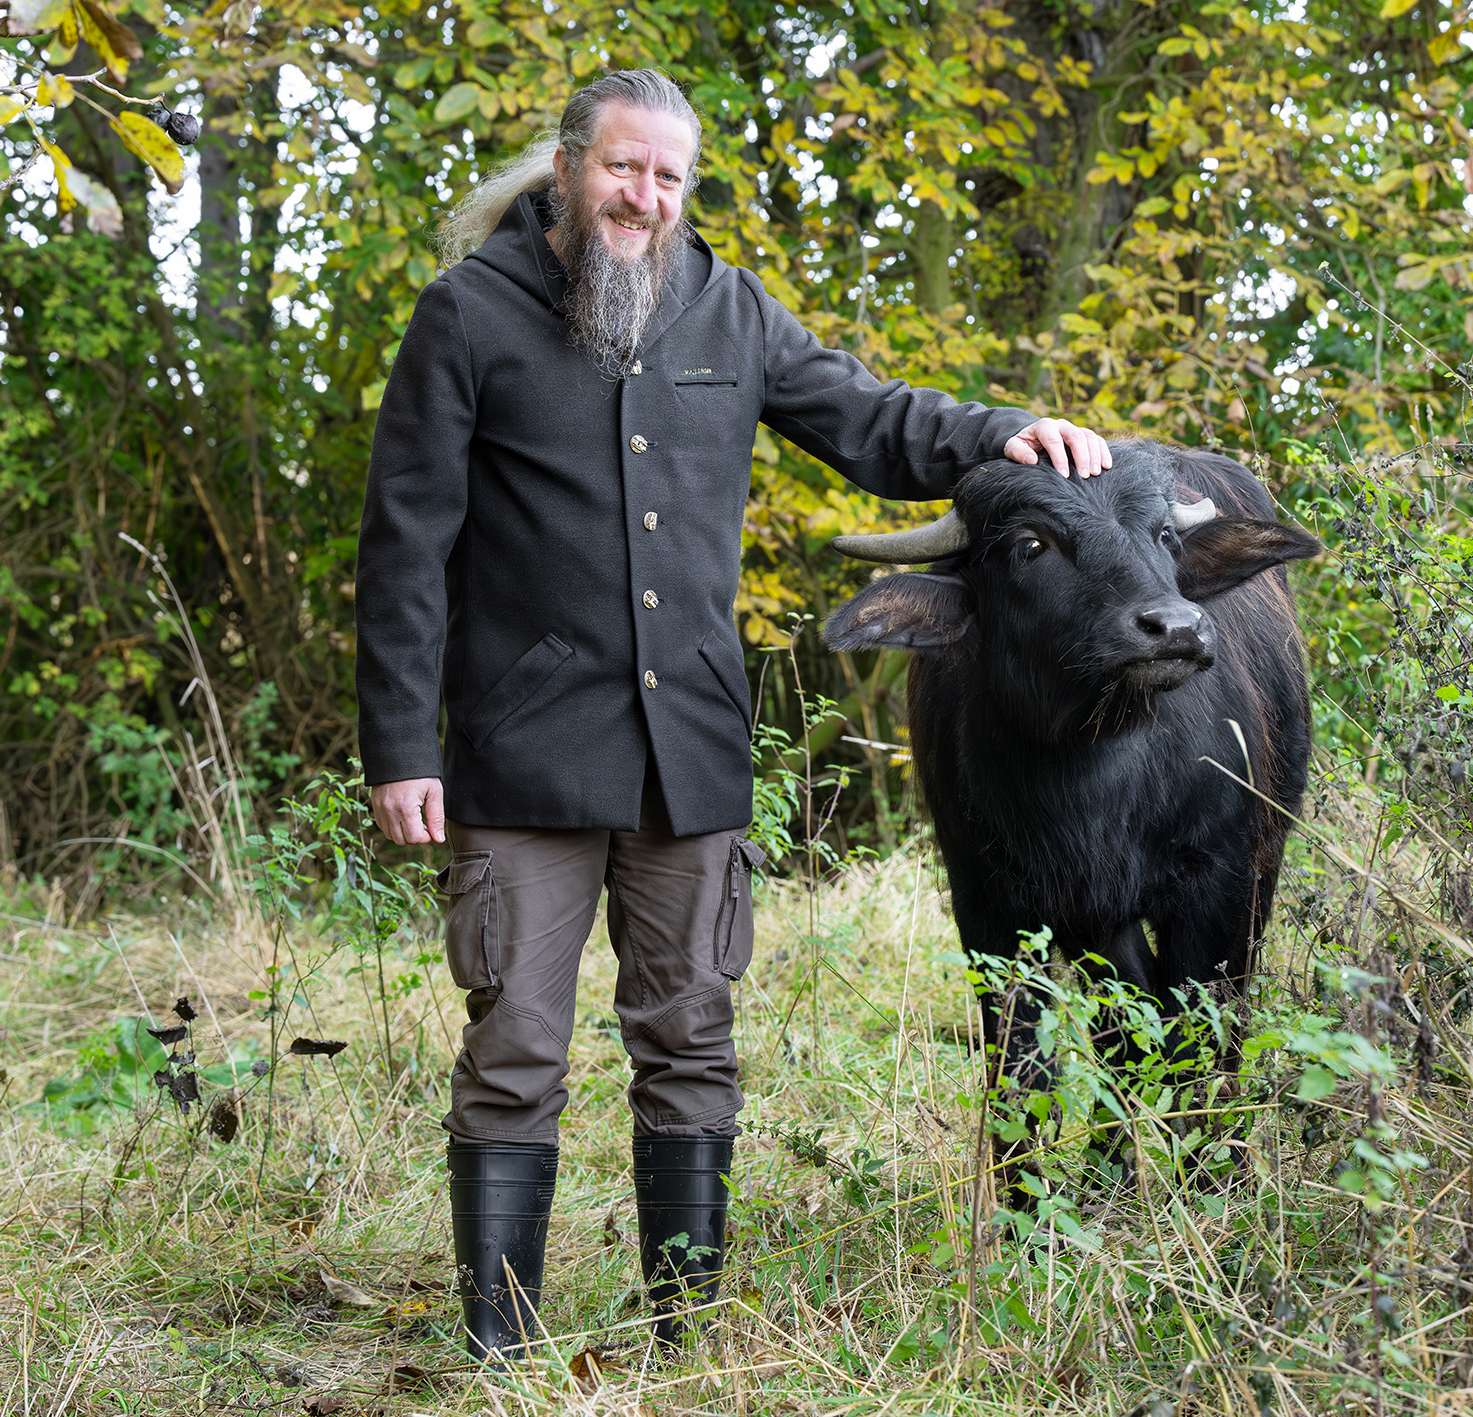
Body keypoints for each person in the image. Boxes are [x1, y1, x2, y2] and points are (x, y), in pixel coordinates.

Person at [354, 67, 1111, 1367]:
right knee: (517, 1045)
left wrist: (1009, 432)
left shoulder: (727, 308)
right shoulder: (466, 315)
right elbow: (405, 548)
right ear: (568, 164)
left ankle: (682, 1330)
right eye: (621, 169)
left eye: (667, 177)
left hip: (687, 752)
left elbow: (876, 422)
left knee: (690, 1038)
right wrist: (399, 748)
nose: (643, 197)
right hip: (520, 751)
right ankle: (499, 1347)